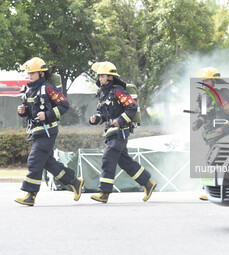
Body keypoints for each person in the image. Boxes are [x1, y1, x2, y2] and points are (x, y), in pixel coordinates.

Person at [15, 57, 83, 206]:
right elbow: (30, 112)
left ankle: (30, 195)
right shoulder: (28, 91)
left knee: (34, 160)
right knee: (48, 163)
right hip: (37, 132)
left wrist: (48, 114)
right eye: (29, 73)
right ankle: (74, 182)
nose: (30, 75)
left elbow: (64, 104)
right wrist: (23, 111)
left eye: (34, 73)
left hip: (48, 132)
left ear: (42, 74)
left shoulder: (47, 88)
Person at [89, 61, 156, 203]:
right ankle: (148, 183)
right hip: (111, 132)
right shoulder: (102, 94)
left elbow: (132, 107)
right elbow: (103, 115)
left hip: (121, 131)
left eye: (103, 76)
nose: (100, 79)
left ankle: (104, 192)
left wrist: (120, 120)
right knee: (124, 162)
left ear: (110, 77)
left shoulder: (118, 91)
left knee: (108, 158)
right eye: (99, 76)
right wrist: (96, 119)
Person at [192, 67, 229, 200]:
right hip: (210, 136)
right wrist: (197, 123)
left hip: (223, 135)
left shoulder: (223, 95)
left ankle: (209, 190)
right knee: (214, 162)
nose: (204, 84)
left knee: (213, 161)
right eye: (203, 81)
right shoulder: (205, 96)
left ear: (214, 81)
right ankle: (214, 189)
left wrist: (223, 128)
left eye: (206, 81)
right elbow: (203, 116)